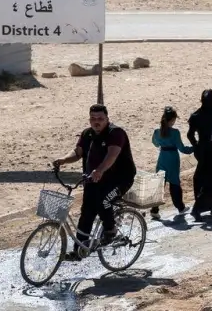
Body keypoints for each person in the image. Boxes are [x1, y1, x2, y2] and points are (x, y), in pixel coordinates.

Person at [52, 104, 137, 259]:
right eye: (93, 118)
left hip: (120, 179)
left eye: (100, 119)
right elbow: (77, 153)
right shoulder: (87, 134)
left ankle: (110, 230)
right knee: (86, 212)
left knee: (104, 201)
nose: (96, 121)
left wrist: (100, 170)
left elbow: (112, 155)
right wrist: (63, 159)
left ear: (107, 119)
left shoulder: (116, 133)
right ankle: (79, 249)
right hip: (92, 179)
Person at [151, 106, 193, 215]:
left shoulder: (156, 131)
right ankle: (180, 207)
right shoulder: (175, 132)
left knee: (160, 184)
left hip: (162, 158)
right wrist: (194, 148)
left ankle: (154, 210)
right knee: (174, 183)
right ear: (173, 119)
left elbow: (155, 143)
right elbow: (182, 148)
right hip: (173, 159)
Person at [187, 89, 212, 219]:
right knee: (209, 179)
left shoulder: (196, 115)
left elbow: (190, 135)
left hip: (203, 150)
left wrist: (196, 147)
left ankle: (209, 204)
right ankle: (201, 206)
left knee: (200, 178)